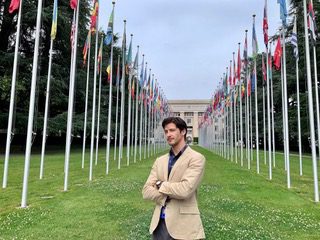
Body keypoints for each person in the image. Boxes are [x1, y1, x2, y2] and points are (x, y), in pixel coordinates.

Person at [142, 117, 206, 240]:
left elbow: (185, 190)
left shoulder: (196, 158)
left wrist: (160, 184)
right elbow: (146, 191)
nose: (168, 134)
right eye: (166, 131)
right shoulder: (160, 160)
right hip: (159, 224)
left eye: (172, 130)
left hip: (184, 225)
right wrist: (169, 193)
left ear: (183, 132)